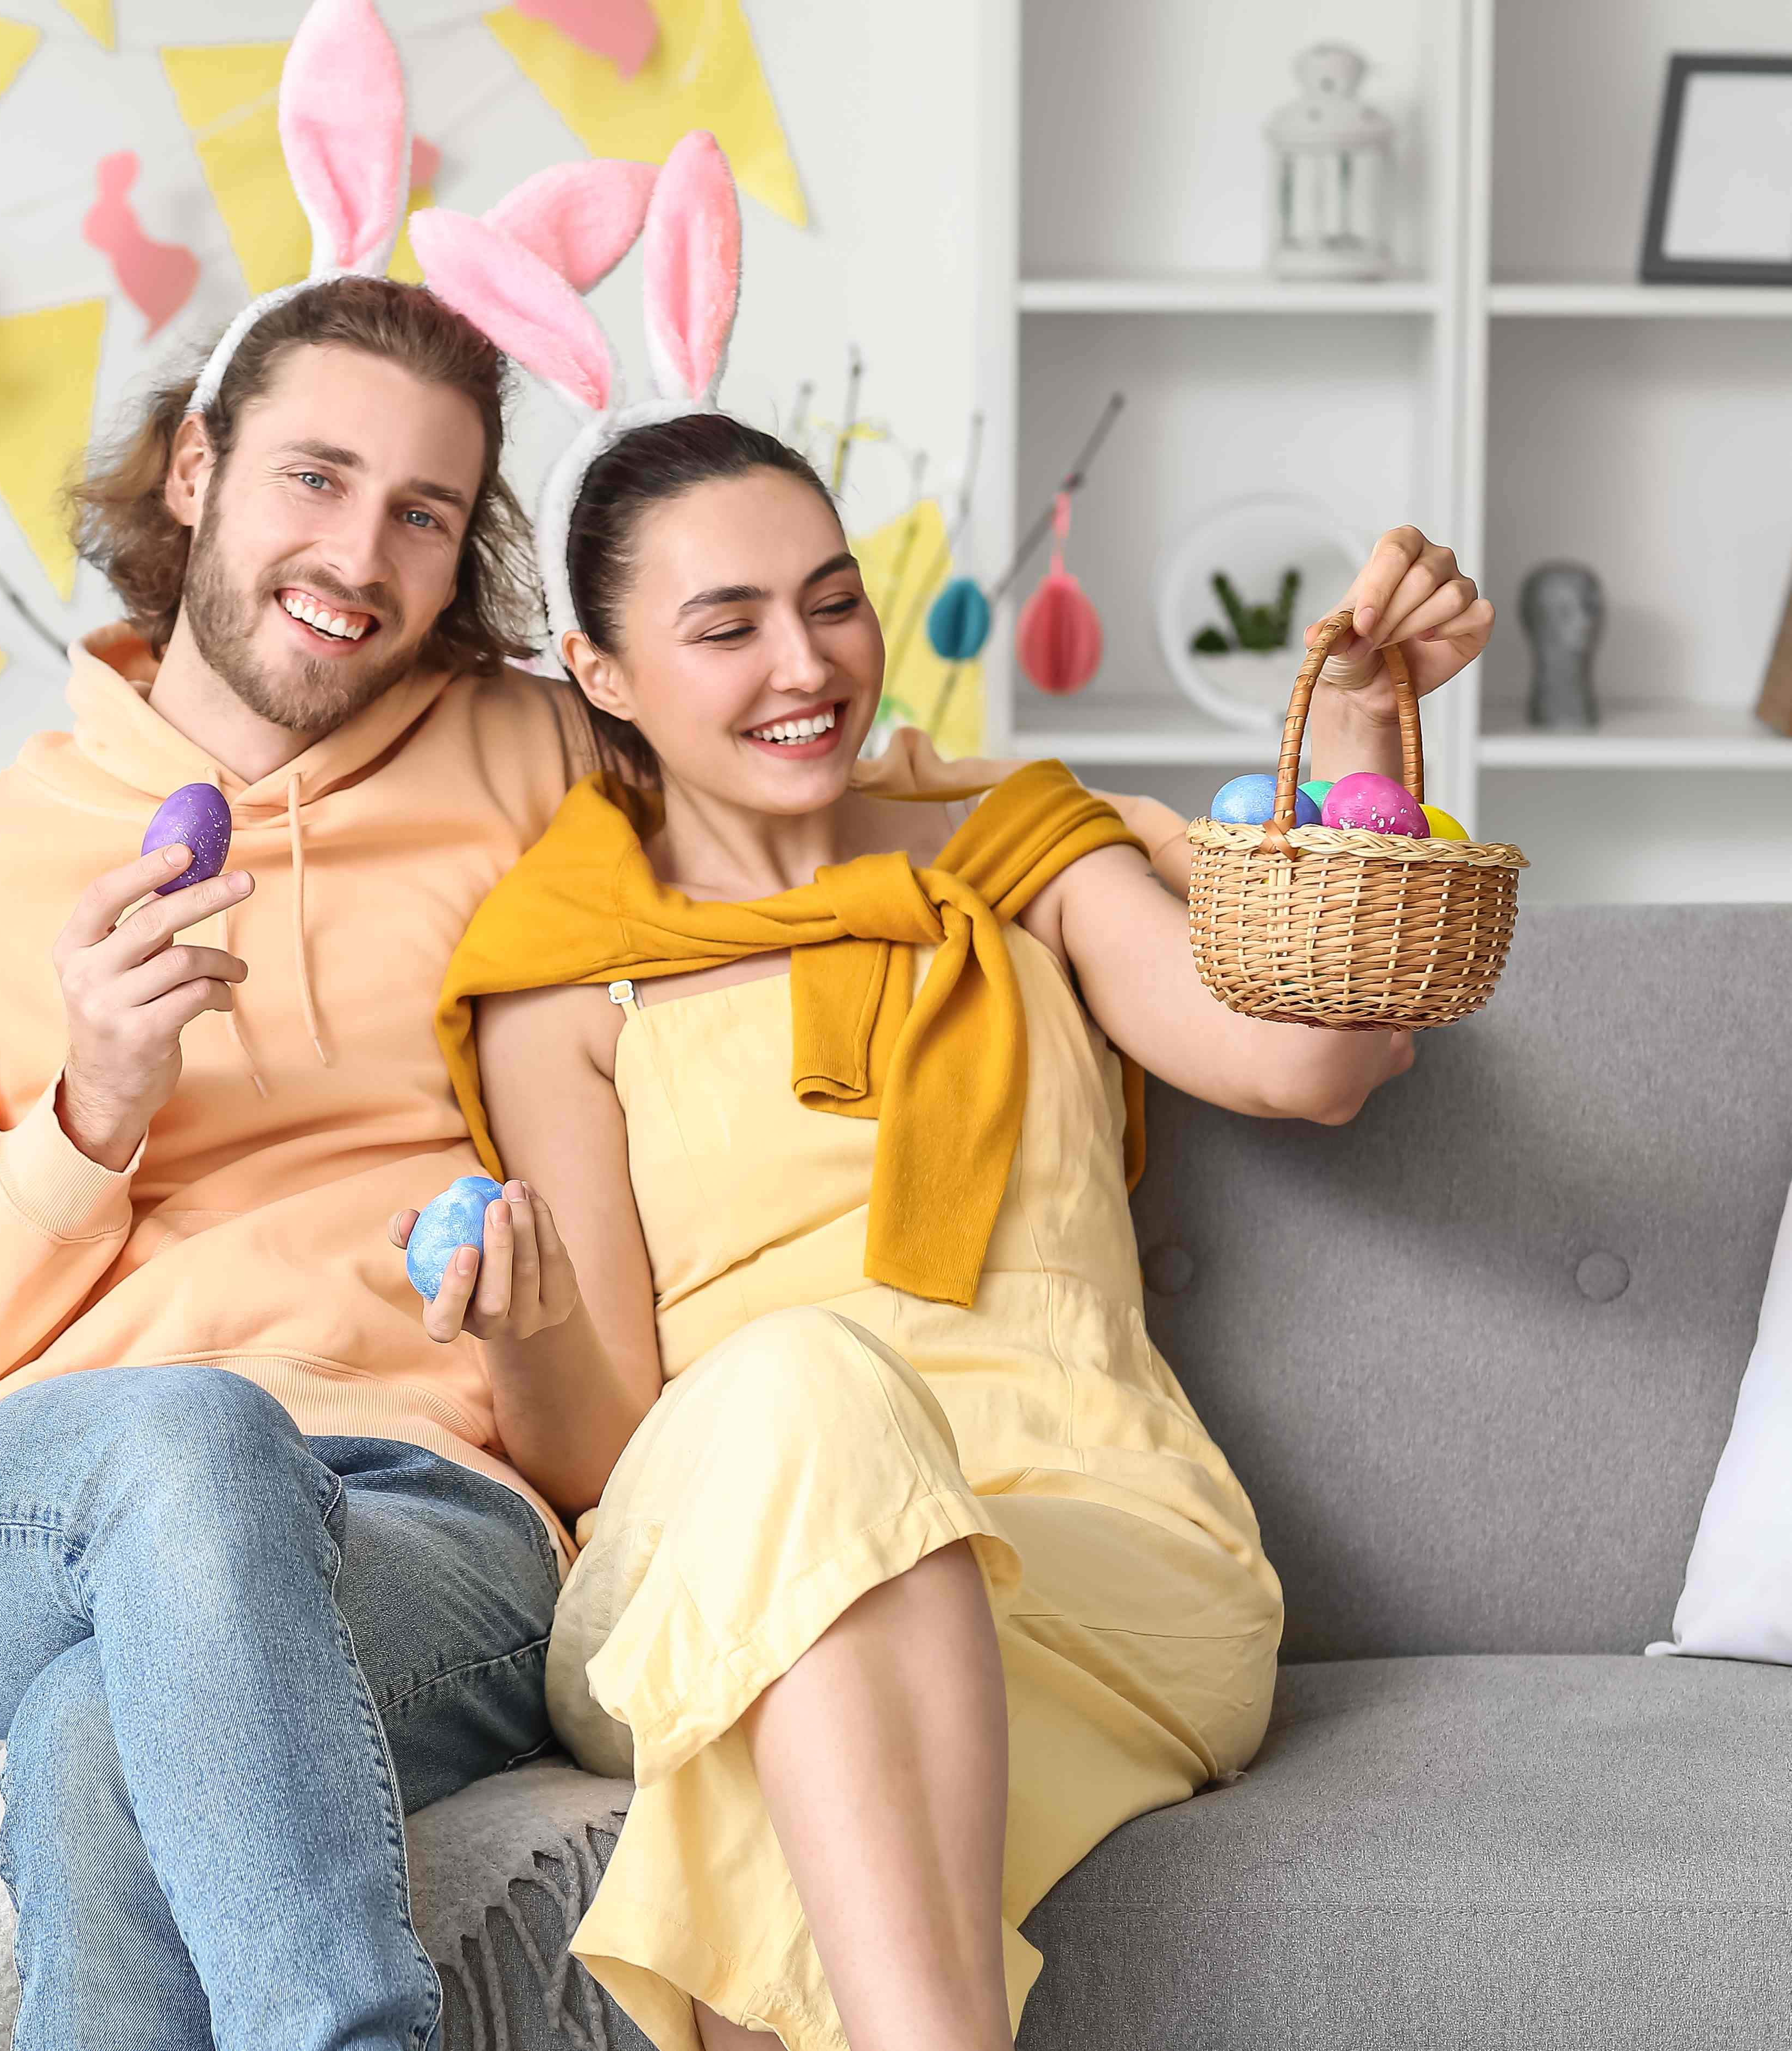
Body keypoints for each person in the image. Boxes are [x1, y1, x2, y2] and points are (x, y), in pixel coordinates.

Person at [404, 143, 1494, 2051]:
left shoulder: (1013, 844)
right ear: (599, 671)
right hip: (712, 1546)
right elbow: (596, 1454)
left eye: (830, 602)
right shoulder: (561, 964)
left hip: (1087, 1546)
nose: (805, 664)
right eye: (724, 625)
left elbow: (1303, 1063)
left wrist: (1353, 731)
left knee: (778, 1787)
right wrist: (533, 1330)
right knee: (811, 1391)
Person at [0, 9, 594, 2047]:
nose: (360, 556)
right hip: (17, 1511)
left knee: (99, 1749)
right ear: (202, 467)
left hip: (428, 1517)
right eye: (316, 475)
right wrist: (83, 1114)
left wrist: (1204, 838)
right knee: (181, 1436)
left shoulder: (535, 769)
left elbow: (829, 770)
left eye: (426, 510)